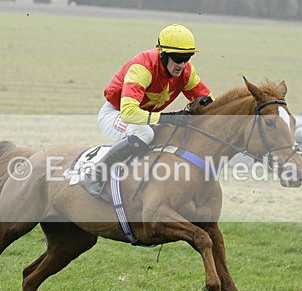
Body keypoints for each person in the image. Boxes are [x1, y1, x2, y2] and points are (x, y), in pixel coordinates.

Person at [83, 24, 214, 195]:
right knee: (145, 134)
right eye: (177, 57)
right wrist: (170, 117)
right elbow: (129, 113)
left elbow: (210, 103)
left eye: (187, 58)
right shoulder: (142, 68)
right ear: (163, 54)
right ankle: (95, 173)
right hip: (116, 113)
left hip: (143, 117)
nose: (182, 65)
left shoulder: (186, 72)